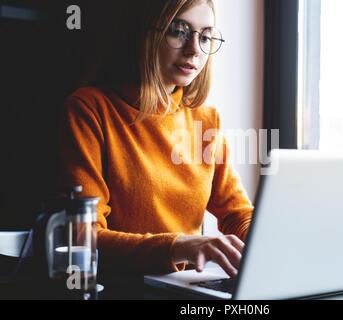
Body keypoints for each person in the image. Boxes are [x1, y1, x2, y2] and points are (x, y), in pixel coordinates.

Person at [58, 0, 254, 278]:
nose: (195, 50)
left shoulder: (206, 119)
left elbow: (237, 214)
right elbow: (82, 237)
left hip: (180, 287)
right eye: (179, 31)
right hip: (118, 288)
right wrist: (178, 246)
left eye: (206, 36)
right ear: (144, 35)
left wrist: (269, 242)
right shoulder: (90, 108)